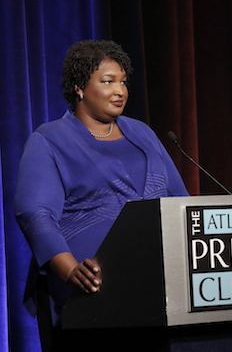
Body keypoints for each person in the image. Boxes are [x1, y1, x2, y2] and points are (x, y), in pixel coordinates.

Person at [14, 40, 189, 351]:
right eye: (108, 82)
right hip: (86, 295)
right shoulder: (49, 140)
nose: (120, 90)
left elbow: (178, 200)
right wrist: (70, 270)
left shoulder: (143, 134)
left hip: (154, 288)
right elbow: (35, 213)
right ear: (80, 87)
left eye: (123, 82)